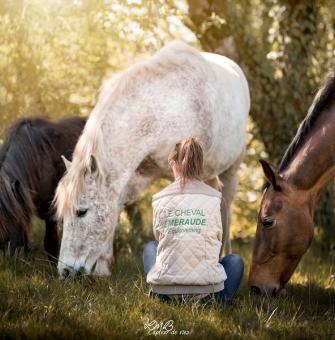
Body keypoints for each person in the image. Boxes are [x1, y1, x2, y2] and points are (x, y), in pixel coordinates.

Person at [142, 137, 244, 303]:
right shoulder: (217, 199)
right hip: (207, 292)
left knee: (150, 247)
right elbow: (219, 247)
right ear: (200, 164)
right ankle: (221, 301)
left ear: (174, 164)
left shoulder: (159, 199)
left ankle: (160, 294)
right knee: (235, 261)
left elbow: (161, 243)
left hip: (166, 291)